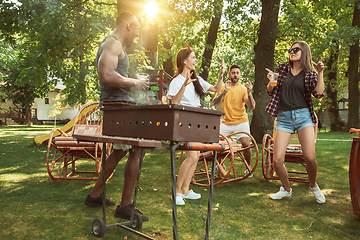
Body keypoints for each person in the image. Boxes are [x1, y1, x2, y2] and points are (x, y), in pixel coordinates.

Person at [84, 12, 150, 221]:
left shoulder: (112, 44)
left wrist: (133, 81)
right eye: (137, 29)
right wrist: (134, 82)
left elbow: (113, 73)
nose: (137, 34)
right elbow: (105, 74)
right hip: (118, 106)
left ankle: (94, 196)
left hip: (116, 104)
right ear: (129, 26)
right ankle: (125, 206)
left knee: (119, 152)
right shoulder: (113, 44)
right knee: (137, 148)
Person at [265, 41, 326, 204]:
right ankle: (286, 189)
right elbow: (270, 91)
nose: (291, 52)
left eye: (295, 49)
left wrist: (320, 73)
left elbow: (319, 94)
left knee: (310, 157)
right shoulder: (282, 68)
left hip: (303, 116)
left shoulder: (310, 73)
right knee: (277, 160)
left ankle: (313, 185)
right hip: (284, 117)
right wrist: (272, 79)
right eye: (290, 49)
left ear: (304, 52)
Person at [166, 46, 222, 205]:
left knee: (196, 156)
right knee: (191, 155)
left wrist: (221, 75)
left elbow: (217, 89)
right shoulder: (176, 81)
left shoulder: (197, 79)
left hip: (196, 120)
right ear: (185, 60)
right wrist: (184, 85)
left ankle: (186, 190)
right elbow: (174, 103)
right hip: (184, 120)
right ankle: (176, 192)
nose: (196, 60)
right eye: (193, 57)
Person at [213, 63, 256, 177]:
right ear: (229, 74)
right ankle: (220, 165)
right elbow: (215, 102)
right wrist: (225, 91)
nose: (235, 75)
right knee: (217, 143)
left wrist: (249, 93)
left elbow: (251, 107)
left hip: (241, 121)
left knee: (246, 144)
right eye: (233, 73)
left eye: (237, 73)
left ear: (240, 74)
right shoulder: (223, 87)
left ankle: (248, 167)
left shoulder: (243, 89)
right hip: (226, 122)